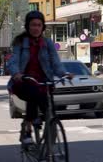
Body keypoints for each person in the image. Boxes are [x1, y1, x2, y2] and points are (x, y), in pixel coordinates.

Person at [7, 11, 73, 145]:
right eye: (33, 25)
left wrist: (64, 74)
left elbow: (55, 62)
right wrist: (16, 74)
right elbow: (13, 61)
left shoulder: (47, 43)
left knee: (49, 109)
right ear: (27, 26)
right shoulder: (20, 42)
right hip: (24, 81)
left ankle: (50, 145)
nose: (36, 28)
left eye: (39, 25)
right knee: (33, 93)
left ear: (43, 27)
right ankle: (27, 130)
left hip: (43, 81)